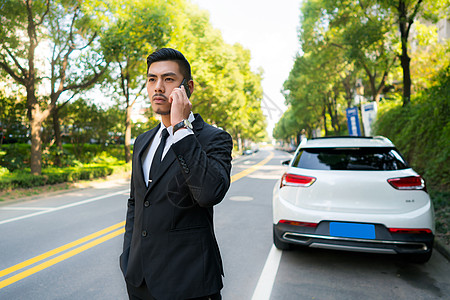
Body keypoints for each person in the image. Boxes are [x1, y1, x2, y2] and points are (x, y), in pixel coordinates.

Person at [119, 48, 233, 300]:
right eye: (152, 79)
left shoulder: (214, 138)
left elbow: (209, 193)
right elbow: (136, 203)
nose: (158, 87)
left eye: (168, 79)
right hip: (139, 281)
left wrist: (181, 128)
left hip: (189, 284)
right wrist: (128, 257)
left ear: (188, 87)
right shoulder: (143, 141)